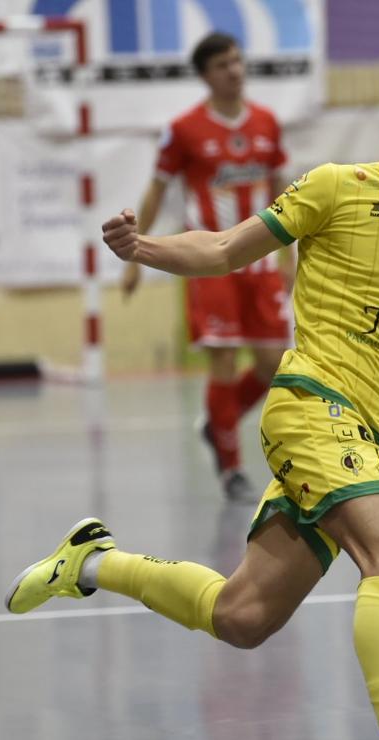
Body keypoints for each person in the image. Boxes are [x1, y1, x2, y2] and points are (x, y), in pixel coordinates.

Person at [4, 63, 379, 740]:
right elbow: (222, 249)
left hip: (363, 432)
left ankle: (92, 562)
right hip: (310, 409)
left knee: (242, 618)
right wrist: (142, 247)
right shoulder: (337, 188)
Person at [121, 32, 292, 503]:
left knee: (274, 361)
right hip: (211, 263)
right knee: (223, 356)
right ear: (205, 76)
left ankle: (218, 424)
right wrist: (136, 252)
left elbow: (283, 191)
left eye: (237, 61)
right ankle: (232, 469)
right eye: (222, 65)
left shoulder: (267, 123)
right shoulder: (184, 129)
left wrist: (287, 255)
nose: (233, 70)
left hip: (259, 263)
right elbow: (156, 191)